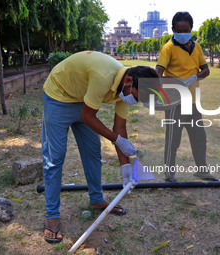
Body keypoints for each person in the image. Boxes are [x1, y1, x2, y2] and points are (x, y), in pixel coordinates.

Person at [42, 51, 159, 243]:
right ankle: (52, 215)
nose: (136, 101)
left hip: (82, 98)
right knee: (55, 158)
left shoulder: (126, 89)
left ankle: (96, 199)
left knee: (92, 152)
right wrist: (117, 140)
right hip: (58, 95)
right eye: (138, 97)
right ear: (129, 80)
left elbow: (119, 128)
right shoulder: (104, 76)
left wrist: (125, 167)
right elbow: (88, 117)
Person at [155, 12, 220, 182]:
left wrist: (196, 77)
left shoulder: (196, 47)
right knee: (173, 139)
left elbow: (206, 70)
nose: (183, 33)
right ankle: (169, 174)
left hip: (192, 101)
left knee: (199, 136)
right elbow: (158, 73)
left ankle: (202, 170)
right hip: (175, 102)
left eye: (186, 30)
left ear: (191, 28)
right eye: (179, 30)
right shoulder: (168, 48)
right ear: (173, 30)